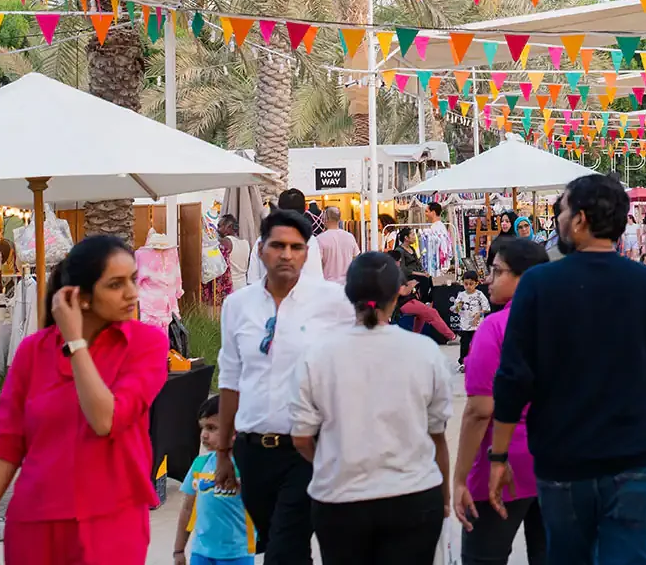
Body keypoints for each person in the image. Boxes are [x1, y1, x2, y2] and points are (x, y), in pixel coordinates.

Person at [490, 173, 646, 562]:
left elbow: (513, 378)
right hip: (633, 460)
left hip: (563, 462)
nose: (558, 219)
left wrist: (498, 457)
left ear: (581, 220)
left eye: (562, 210)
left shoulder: (538, 285)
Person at [0, 235, 169, 565]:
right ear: (79, 297)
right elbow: (6, 449)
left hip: (112, 525)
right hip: (34, 525)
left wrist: (75, 344)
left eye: (132, 280)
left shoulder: (146, 345)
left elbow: (105, 420)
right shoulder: (33, 352)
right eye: (115, 284)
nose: (132, 293)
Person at [291, 252, 454, 563]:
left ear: (348, 294)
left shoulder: (319, 355)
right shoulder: (424, 352)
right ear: (397, 294)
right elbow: (437, 437)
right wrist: (444, 496)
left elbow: (301, 438)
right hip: (414, 496)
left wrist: (333, 461)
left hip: (340, 499)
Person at [214, 210, 354, 565]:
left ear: (307, 253)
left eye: (296, 247)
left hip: (306, 451)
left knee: (284, 549)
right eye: (278, 245)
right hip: (253, 450)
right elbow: (231, 379)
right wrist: (223, 453)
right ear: (261, 250)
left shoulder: (333, 303)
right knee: (282, 544)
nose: (287, 254)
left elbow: (352, 369)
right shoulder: (237, 306)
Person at [454, 238, 549, 565]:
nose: (489, 279)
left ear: (526, 277)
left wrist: (459, 477)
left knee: (484, 557)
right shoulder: (569, 323)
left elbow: (480, 410)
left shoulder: (494, 328)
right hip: (563, 460)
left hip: (504, 462)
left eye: (497, 271)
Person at [174, 396, 255, 565]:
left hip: (238, 553)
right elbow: (187, 508)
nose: (204, 435)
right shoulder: (200, 464)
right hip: (200, 553)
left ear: (235, 430)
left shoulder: (248, 465)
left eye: (211, 428)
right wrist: (179, 550)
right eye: (202, 428)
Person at [393, 274, 456, 344]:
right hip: (403, 303)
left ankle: (415, 338)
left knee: (421, 316)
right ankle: (452, 337)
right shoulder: (393, 275)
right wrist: (411, 285)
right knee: (432, 313)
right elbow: (403, 292)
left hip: (409, 300)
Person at [453, 275, 492, 372]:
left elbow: (487, 308)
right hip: (465, 326)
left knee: (477, 344)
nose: (468, 286)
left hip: (477, 326)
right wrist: (458, 306)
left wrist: (479, 313)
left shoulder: (479, 294)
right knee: (464, 344)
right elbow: (456, 310)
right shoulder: (461, 295)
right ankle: (463, 362)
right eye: (466, 284)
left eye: (471, 284)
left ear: (476, 283)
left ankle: (479, 361)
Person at [313, 207, 360, 285]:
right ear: (339, 219)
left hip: (328, 283)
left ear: (325, 218)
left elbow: (317, 263)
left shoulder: (320, 239)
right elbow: (355, 257)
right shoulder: (349, 237)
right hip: (347, 283)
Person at [218, 215, 253, 292]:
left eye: (220, 226)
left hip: (231, 286)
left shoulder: (226, 241)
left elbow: (213, 254)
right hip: (243, 284)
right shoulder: (245, 243)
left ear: (229, 227)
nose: (217, 230)